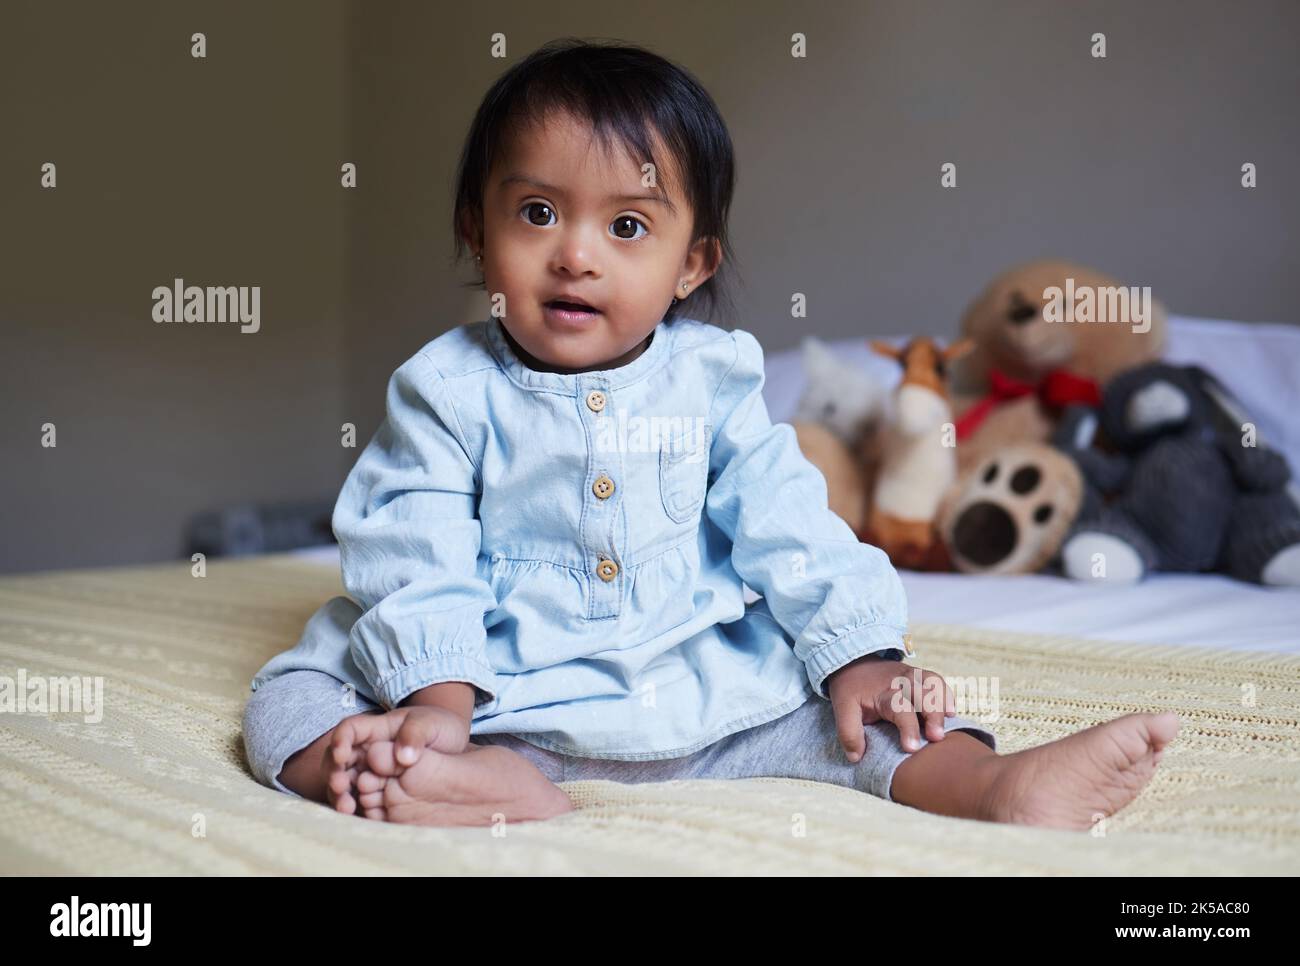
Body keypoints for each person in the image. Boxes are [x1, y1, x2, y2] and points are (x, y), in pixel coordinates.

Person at [242, 38, 1178, 829]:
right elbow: (414, 546)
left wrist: (862, 658)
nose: (575, 252)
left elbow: (787, 520)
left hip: (700, 689)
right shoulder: (446, 388)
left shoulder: (712, 379)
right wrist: (437, 704)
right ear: (475, 233)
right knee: (287, 700)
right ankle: (463, 782)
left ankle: (992, 784)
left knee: (864, 721)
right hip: (499, 698)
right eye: (536, 213)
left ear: (691, 265)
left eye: (627, 225)